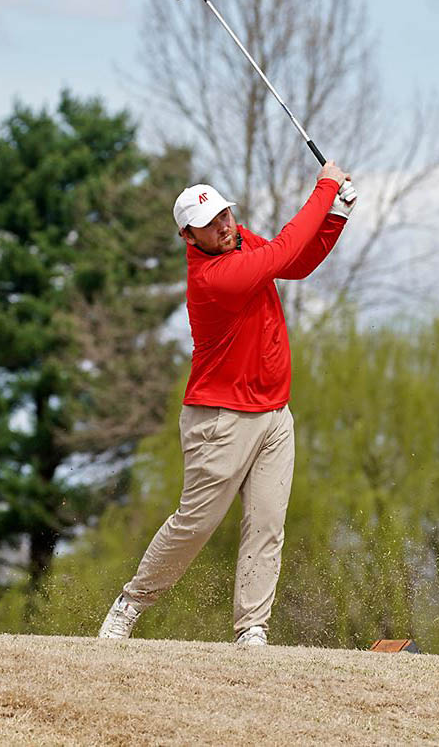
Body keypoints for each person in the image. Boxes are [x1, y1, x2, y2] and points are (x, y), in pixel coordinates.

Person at [98, 160, 356, 647]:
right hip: (220, 419)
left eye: (223, 215)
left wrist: (336, 216)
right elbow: (283, 251)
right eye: (208, 224)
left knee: (267, 524)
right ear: (187, 236)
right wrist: (326, 188)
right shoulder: (213, 278)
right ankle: (131, 603)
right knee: (196, 524)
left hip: (274, 413)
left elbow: (297, 263)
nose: (222, 226)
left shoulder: (239, 241)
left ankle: (252, 629)